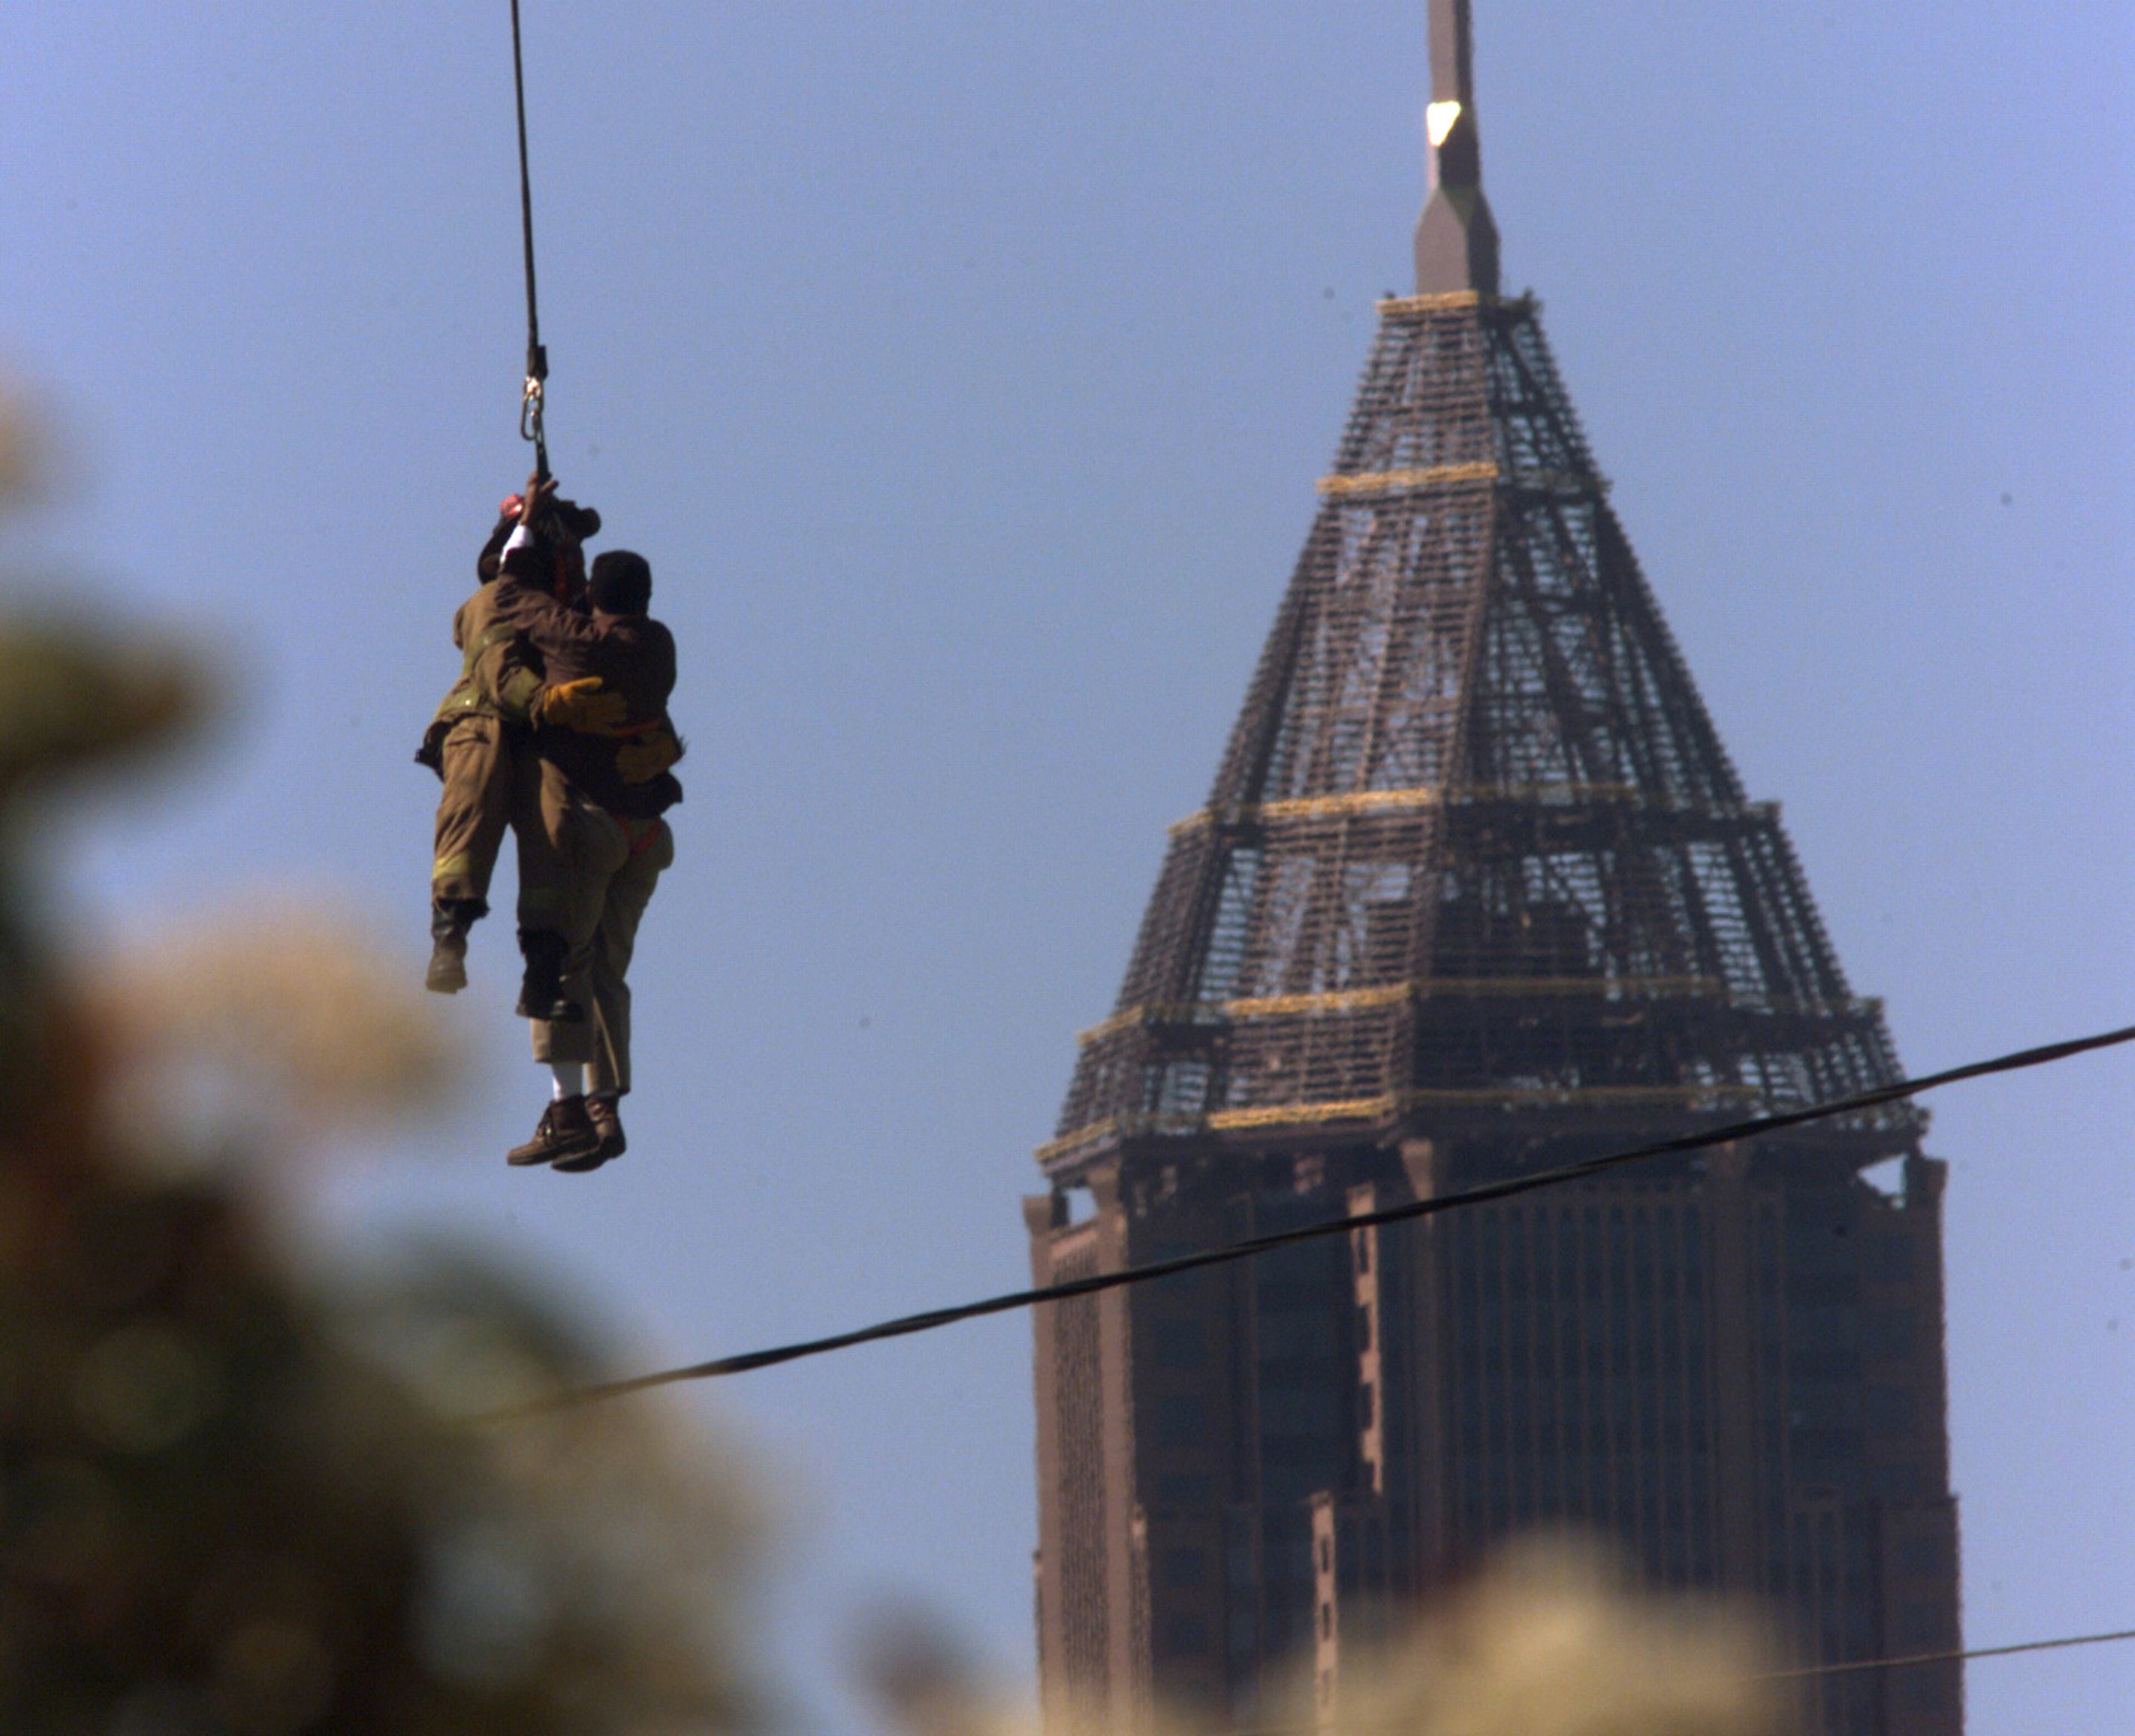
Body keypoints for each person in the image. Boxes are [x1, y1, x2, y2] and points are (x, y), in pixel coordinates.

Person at [502, 544, 683, 1172]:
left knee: (559, 964)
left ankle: (568, 1112)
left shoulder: (576, 642)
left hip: (593, 829)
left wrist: (526, 531)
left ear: (594, 599)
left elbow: (512, 597)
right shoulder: (659, 646)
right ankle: (606, 1109)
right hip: (644, 836)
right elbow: (574, 616)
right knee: (607, 970)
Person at [416, 485, 620, 1017]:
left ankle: (543, 975)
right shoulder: (491, 602)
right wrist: (550, 701)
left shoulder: (562, 613)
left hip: (542, 734)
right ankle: (449, 942)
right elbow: (497, 671)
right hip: (483, 721)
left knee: (557, 830)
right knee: (473, 806)